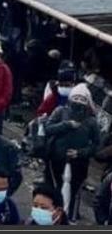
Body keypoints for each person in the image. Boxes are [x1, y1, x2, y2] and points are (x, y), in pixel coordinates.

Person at [43, 82, 100, 220]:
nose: (78, 102)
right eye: (76, 98)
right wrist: (66, 125)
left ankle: (69, 218)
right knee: (54, 188)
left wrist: (80, 153)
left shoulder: (91, 121)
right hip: (56, 160)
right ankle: (49, 214)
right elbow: (48, 129)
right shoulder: (60, 111)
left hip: (79, 163)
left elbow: (96, 145)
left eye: (82, 99)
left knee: (73, 191)